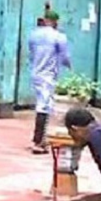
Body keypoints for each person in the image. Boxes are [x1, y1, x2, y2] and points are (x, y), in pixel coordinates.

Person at [28, 9, 71, 154]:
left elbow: (32, 52)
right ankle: (38, 141)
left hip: (36, 73)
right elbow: (65, 57)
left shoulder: (34, 35)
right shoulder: (59, 37)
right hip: (48, 75)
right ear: (55, 22)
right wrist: (68, 65)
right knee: (44, 106)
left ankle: (40, 139)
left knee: (43, 104)